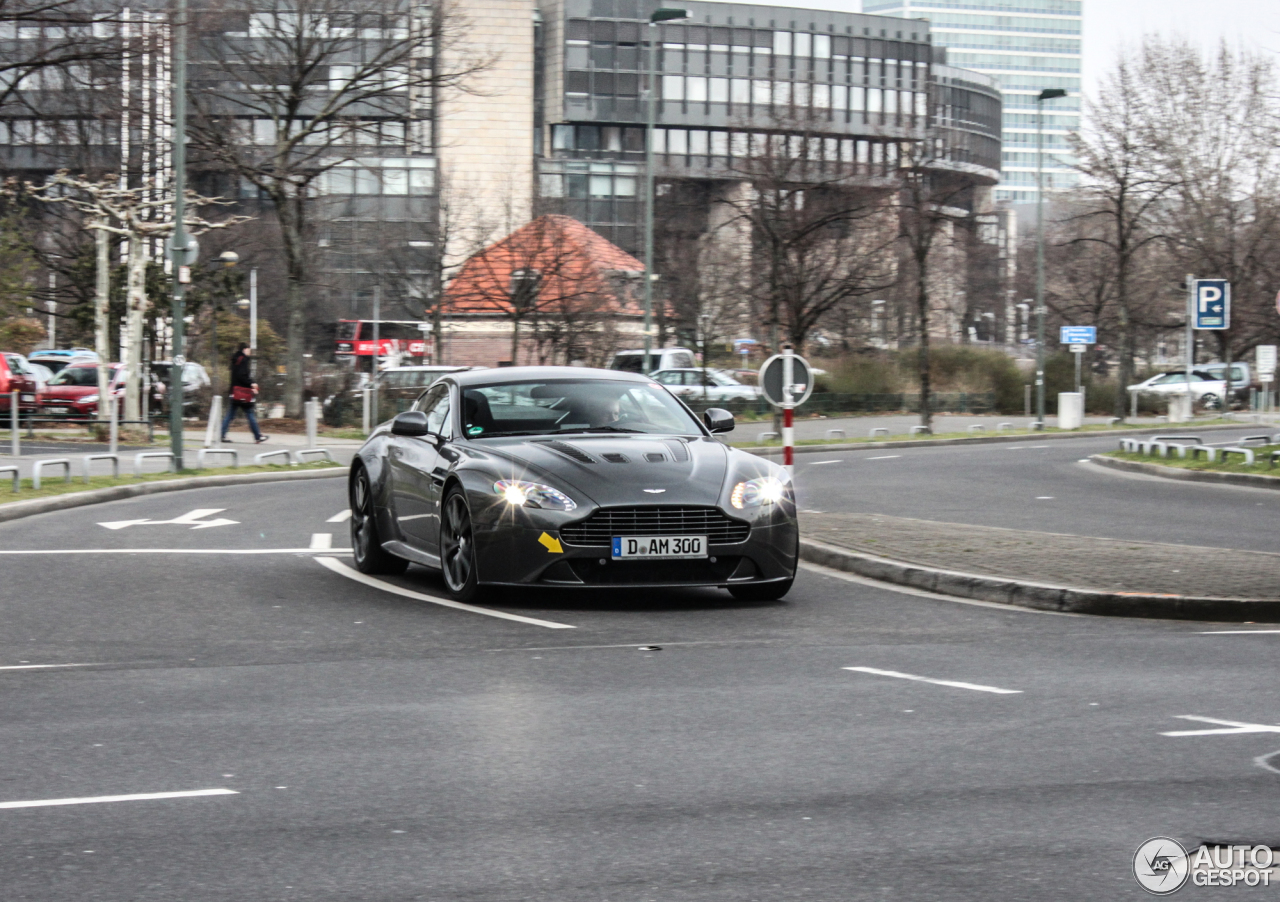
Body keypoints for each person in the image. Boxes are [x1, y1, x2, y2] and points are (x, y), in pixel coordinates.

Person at [221, 343, 268, 443]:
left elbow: (236, 376)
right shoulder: (243, 360)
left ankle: (222, 435)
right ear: (244, 349)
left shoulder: (235, 360)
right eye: (248, 350)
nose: (250, 352)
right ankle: (258, 436)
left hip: (234, 391)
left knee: (230, 415)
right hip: (243, 393)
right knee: (250, 413)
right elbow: (242, 376)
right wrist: (252, 384)